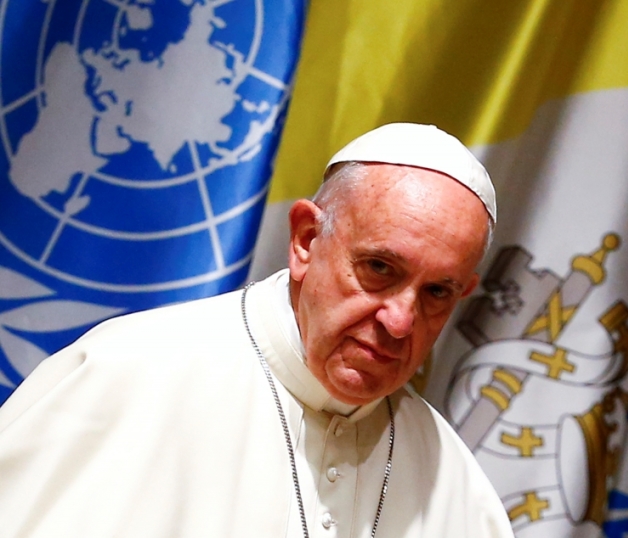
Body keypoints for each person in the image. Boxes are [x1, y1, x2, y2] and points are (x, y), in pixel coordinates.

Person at [0, 123, 514, 537]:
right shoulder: (124, 376)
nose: (399, 321)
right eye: (379, 269)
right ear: (306, 241)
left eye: (436, 293)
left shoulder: (454, 483)